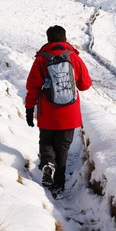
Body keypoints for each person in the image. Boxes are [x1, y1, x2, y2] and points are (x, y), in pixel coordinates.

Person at [25, 25, 92, 199]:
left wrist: (29, 108)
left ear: (48, 40)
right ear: (65, 39)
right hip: (69, 112)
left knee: (46, 141)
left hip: (47, 111)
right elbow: (85, 85)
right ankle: (58, 187)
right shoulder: (74, 58)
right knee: (62, 148)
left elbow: (32, 87)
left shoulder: (41, 59)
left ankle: (47, 163)